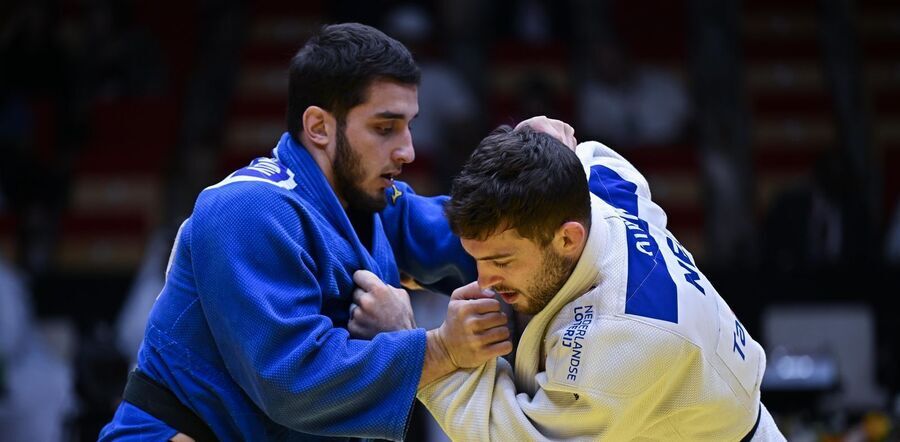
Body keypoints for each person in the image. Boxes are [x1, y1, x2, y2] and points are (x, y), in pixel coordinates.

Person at [99, 23, 512, 441]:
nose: (408, 149)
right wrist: (439, 348)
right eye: (385, 128)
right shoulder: (247, 208)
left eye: (408, 126)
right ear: (319, 126)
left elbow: (474, 241)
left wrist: (543, 178)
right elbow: (294, 382)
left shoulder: (370, 200)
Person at [415, 125, 785, 440]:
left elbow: (507, 434)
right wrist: (530, 140)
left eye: (501, 261)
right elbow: (584, 151)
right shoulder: (596, 180)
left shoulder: (618, 339)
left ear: (568, 239)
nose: (484, 280)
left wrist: (423, 352)